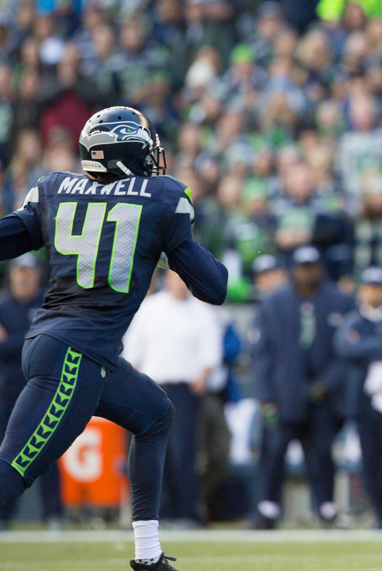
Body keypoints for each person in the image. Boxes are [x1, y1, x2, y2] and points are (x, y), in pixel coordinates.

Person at [0, 107, 228, 570]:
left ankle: (148, 556)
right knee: (13, 470)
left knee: (155, 415)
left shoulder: (54, 189)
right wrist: (172, 241)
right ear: (129, 154)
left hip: (67, 347)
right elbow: (214, 287)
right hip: (74, 356)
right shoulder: (161, 199)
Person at [250, 245, 354, 528]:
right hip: (283, 396)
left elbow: (345, 353)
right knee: (273, 454)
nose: (307, 272)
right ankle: (267, 509)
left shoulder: (339, 301)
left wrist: (326, 384)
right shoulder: (274, 303)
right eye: (302, 267)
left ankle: (327, 509)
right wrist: (266, 395)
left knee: (321, 454)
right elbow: (262, 354)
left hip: (323, 397)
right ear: (293, 270)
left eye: (312, 266)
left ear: (320, 268)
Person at [123, 269, 224, 527]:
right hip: (151, 386)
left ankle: (186, 511)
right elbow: (133, 350)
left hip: (184, 390)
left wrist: (201, 375)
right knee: (154, 453)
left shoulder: (203, 312)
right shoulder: (148, 308)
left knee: (183, 453)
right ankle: (160, 512)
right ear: (166, 278)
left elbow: (210, 355)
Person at [0, 254, 62, 529]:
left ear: (37, 275)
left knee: (48, 452)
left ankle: (54, 515)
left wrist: (14, 340)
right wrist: (29, 337)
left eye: (28, 271)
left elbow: (51, 342)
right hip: (8, 391)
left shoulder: (48, 303)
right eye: (19, 272)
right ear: (11, 275)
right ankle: (4, 516)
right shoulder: (3, 306)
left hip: (43, 390)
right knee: (5, 454)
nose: (23, 277)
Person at [335, 266, 382, 528]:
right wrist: (380, 345)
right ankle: (381, 515)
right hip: (361, 402)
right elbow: (346, 348)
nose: (374, 292)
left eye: (379, 287)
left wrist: (368, 346)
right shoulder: (354, 320)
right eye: (370, 286)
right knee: (370, 461)